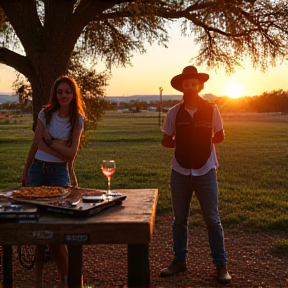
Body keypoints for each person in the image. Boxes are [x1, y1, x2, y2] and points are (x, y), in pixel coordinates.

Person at [160, 66, 231, 284]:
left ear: (199, 86)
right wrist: (181, 144)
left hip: (206, 171)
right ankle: (179, 261)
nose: (190, 87)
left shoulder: (212, 110)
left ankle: (221, 265)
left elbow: (220, 135)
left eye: (194, 84)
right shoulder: (174, 112)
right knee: (180, 220)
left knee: (212, 219)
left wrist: (203, 143)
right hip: (179, 172)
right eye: (186, 84)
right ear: (182, 87)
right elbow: (165, 140)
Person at [22, 76, 85, 287]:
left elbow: (70, 154)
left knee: (58, 230)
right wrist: (26, 170)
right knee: (38, 227)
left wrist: (48, 141)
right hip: (37, 170)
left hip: (58, 173)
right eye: (60, 91)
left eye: (67, 91)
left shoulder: (77, 119)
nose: (64, 95)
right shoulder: (45, 114)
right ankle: (38, 281)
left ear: (73, 94)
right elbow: (35, 143)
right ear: (55, 94)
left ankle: (67, 279)